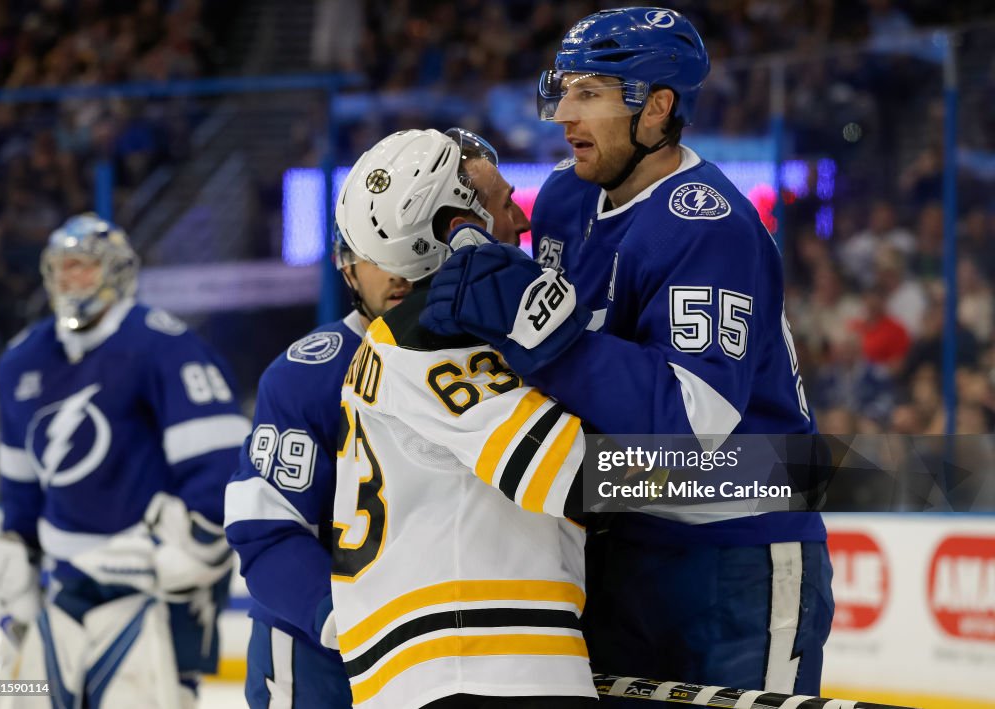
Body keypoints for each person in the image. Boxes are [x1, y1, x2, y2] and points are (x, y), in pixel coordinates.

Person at [420, 7, 835, 704]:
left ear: (657, 109)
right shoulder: (561, 199)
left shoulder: (709, 226)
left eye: (591, 94)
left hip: (737, 552)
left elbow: (692, 422)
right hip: (620, 543)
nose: (564, 116)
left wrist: (545, 338)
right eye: (565, 90)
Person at [224, 126, 530, 709]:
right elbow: (266, 534)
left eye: (411, 243)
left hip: (461, 665)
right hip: (327, 665)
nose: (393, 271)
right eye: (374, 252)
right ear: (347, 266)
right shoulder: (309, 374)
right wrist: (350, 623)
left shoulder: (516, 359)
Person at [330, 128, 598, 709]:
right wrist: (790, 472)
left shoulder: (395, 343)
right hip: (479, 664)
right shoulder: (435, 341)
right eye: (505, 204)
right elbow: (577, 475)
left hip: (433, 669)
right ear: (458, 225)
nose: (522, 224)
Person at [0, 213, 248, 707]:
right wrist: (18, 565)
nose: (70, 280)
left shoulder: (164, 346)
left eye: (83, 266)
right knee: (34, 696)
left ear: (118, 272)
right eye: (62, 268)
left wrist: (182, 553)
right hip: (69, 582)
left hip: (157, 584)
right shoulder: (21, 360)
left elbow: (221, 471)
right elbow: (20, 487)